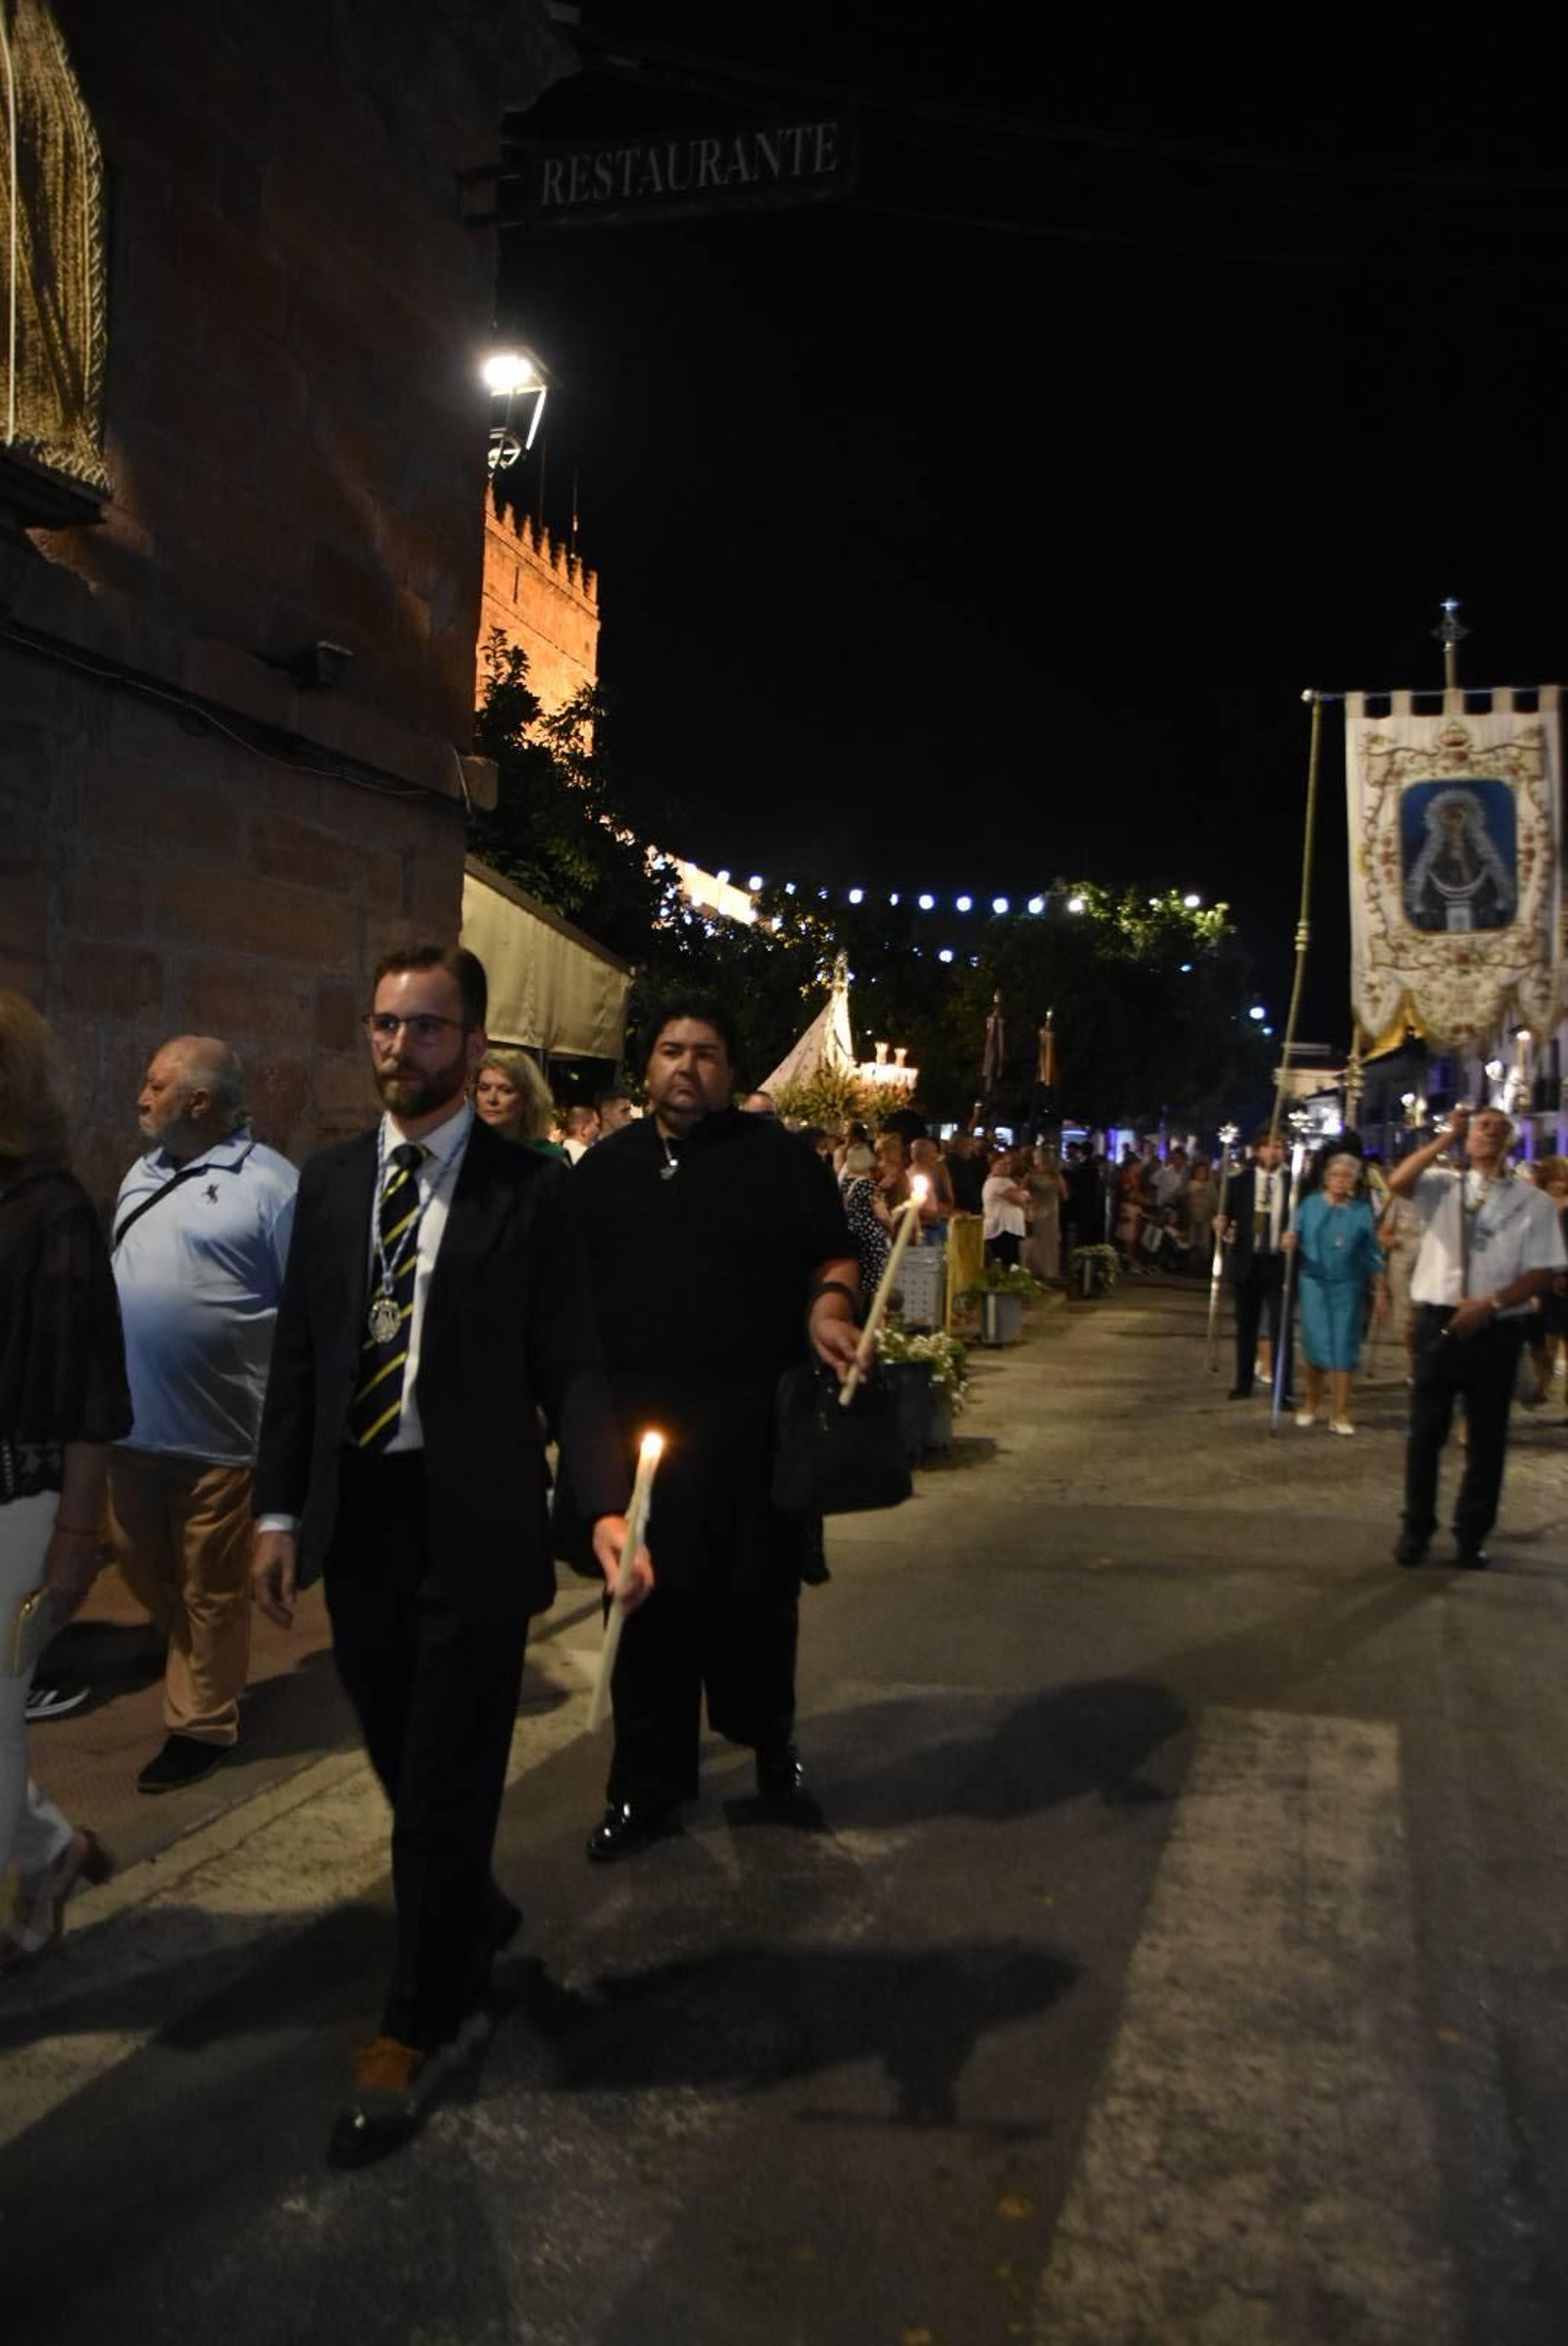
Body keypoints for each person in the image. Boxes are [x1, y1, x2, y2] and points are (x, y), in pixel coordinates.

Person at [250, 944, 644, 2167]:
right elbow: (305, 1362)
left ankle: (413, 2020)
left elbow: (570, 1362)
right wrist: (274, 1515)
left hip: (472, 1525)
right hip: (360, 1522)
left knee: (439, 1781)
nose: (398, 1050)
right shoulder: (323, 1187)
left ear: (475, 1046)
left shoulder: (534, 1190)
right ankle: (468, 1911)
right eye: (383, 1025)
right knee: (391, 1746)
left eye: (427, 1030)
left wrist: (598, 1503)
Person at [559, 999, 860, 1863]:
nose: (686, 1067)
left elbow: (832, 1255)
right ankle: (642, 1787)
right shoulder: (602, 1170)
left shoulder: (779, 1162)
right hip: (637, 1439)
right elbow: (567, 1297)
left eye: (707, 1052)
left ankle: (770, 1752)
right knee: (645, 1618)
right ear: (646, 1065)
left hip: (749, 1436)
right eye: (669, 1051)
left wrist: (827, 1312)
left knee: (757, 1610)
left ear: (731, 1071)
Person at [107, 1037, 297, 1794]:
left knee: (212, 1585)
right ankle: (193, 1663)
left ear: (199, 1102)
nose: (139, 1096)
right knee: (139, 1563)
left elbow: (309, 1306)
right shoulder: (140, 1172)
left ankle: (202, 1721)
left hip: (221, 1434)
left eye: (155, 1085)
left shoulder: (270, 1186)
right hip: (130, 1426)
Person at [0, 993, 130, 1971]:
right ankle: (51, 1851)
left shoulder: (53, 1209)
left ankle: (40, 1857)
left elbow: (90, 1389)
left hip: (18, 1507)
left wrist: (79, 1536)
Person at [1388, 1105, 1566, 1568]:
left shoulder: (1535, 1204)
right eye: (1482, 1124)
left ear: (1511, 1142)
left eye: (1500, 1126)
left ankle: (1472, 1532)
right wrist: (1446, 1138)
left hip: (1496, 1327)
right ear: (1468, 1137)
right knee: (1426, 1434)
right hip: (1439, 1323)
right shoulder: (1444, 1186)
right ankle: (1417, 1528)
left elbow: (1544, 1271)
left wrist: (1490, 1304)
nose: (1491, 1131)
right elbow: (1398, 1183)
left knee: (1487, 1440)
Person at [1284, 1151, 1388, 1434]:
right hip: (1314, 1283)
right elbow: (1293, 1235)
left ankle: (1340, 1412)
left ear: (1354, 1181)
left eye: (1347, 1176)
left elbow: (1372, 1254)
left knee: (1344, 1345)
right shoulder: (1310, 1205)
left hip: (1348, 1284)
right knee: (1315, 1343)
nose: (1341, 1180)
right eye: (1336, 1175)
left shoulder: (1361, 1210)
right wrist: (1289, 1240)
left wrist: (1380, 1289)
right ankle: (1311, 1401)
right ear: (1326, 1178)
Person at [1214, 1130, 1295, 1401]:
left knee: (1280, 1326)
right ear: (1257, 1150)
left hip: (1278, 1262)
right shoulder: (1240, 1182)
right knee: (1246, 1326)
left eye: (1280, 1146)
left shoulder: (1293, 1182)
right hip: (1248, 1261)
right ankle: (1243, 1382)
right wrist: (1222, 1226)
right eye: (1270, 1146)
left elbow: (1301, 1219)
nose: (1275, 1151)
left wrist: (1295, 1235)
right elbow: (1226, 1218)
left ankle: (1283, 1390)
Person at [1521, 1155, 1568, 1409]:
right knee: (1541, 1341)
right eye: (1554, 1178)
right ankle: (1542, 1384)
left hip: (1563, 1283)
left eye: (1562, 1178)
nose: (1559, 1184)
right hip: (1540, 1280)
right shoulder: (1536, 1206)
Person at [473, 1046, 564, 1159]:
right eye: (484, 1088)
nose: (492, 1099)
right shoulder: (459, 1152)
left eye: (506, 1090)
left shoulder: (550, 1158)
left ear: (529, 1098)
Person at [838, 1141, 890, 1295]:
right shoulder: (868, 1185)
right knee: (875, 1284)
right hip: (870, 1237)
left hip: (851, 1233)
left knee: (857, 1282)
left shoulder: (844, 1184)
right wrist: (891, 1225)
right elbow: (881, 1214)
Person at [1021, 1146, 1065, 1283]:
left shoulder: (1034, 1176)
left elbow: (1021, 1193)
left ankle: (1039, 1271)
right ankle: (1046, 1271)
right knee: (1042, 1242)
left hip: (1043, 1212)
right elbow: (1064, 1195)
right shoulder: (1053, 1176)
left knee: (1043, 1242)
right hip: (1044, 1212)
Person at [982, 1148, 1030, 1268]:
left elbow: (1024, 1196)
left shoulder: (1005, 1180)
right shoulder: (997, 1181)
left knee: (1010, 1264)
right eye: (1002, 1164)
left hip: (1009, 1230)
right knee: (1007, 1265)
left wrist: (1022, 1195)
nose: (1007, 1167)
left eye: (1009, 1164)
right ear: (992, 1165)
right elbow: (1019, 1198)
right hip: (1003, 1230)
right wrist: (1023, 1195)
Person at [908, 1137, 953, 1246]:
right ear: (924, 1156)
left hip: (934, 1227)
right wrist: (948, 1214)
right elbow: (921, 1208)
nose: (937, 1156)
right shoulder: (916, 1178)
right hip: (927, 1230)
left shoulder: (925, 1175)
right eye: (934, 1152)